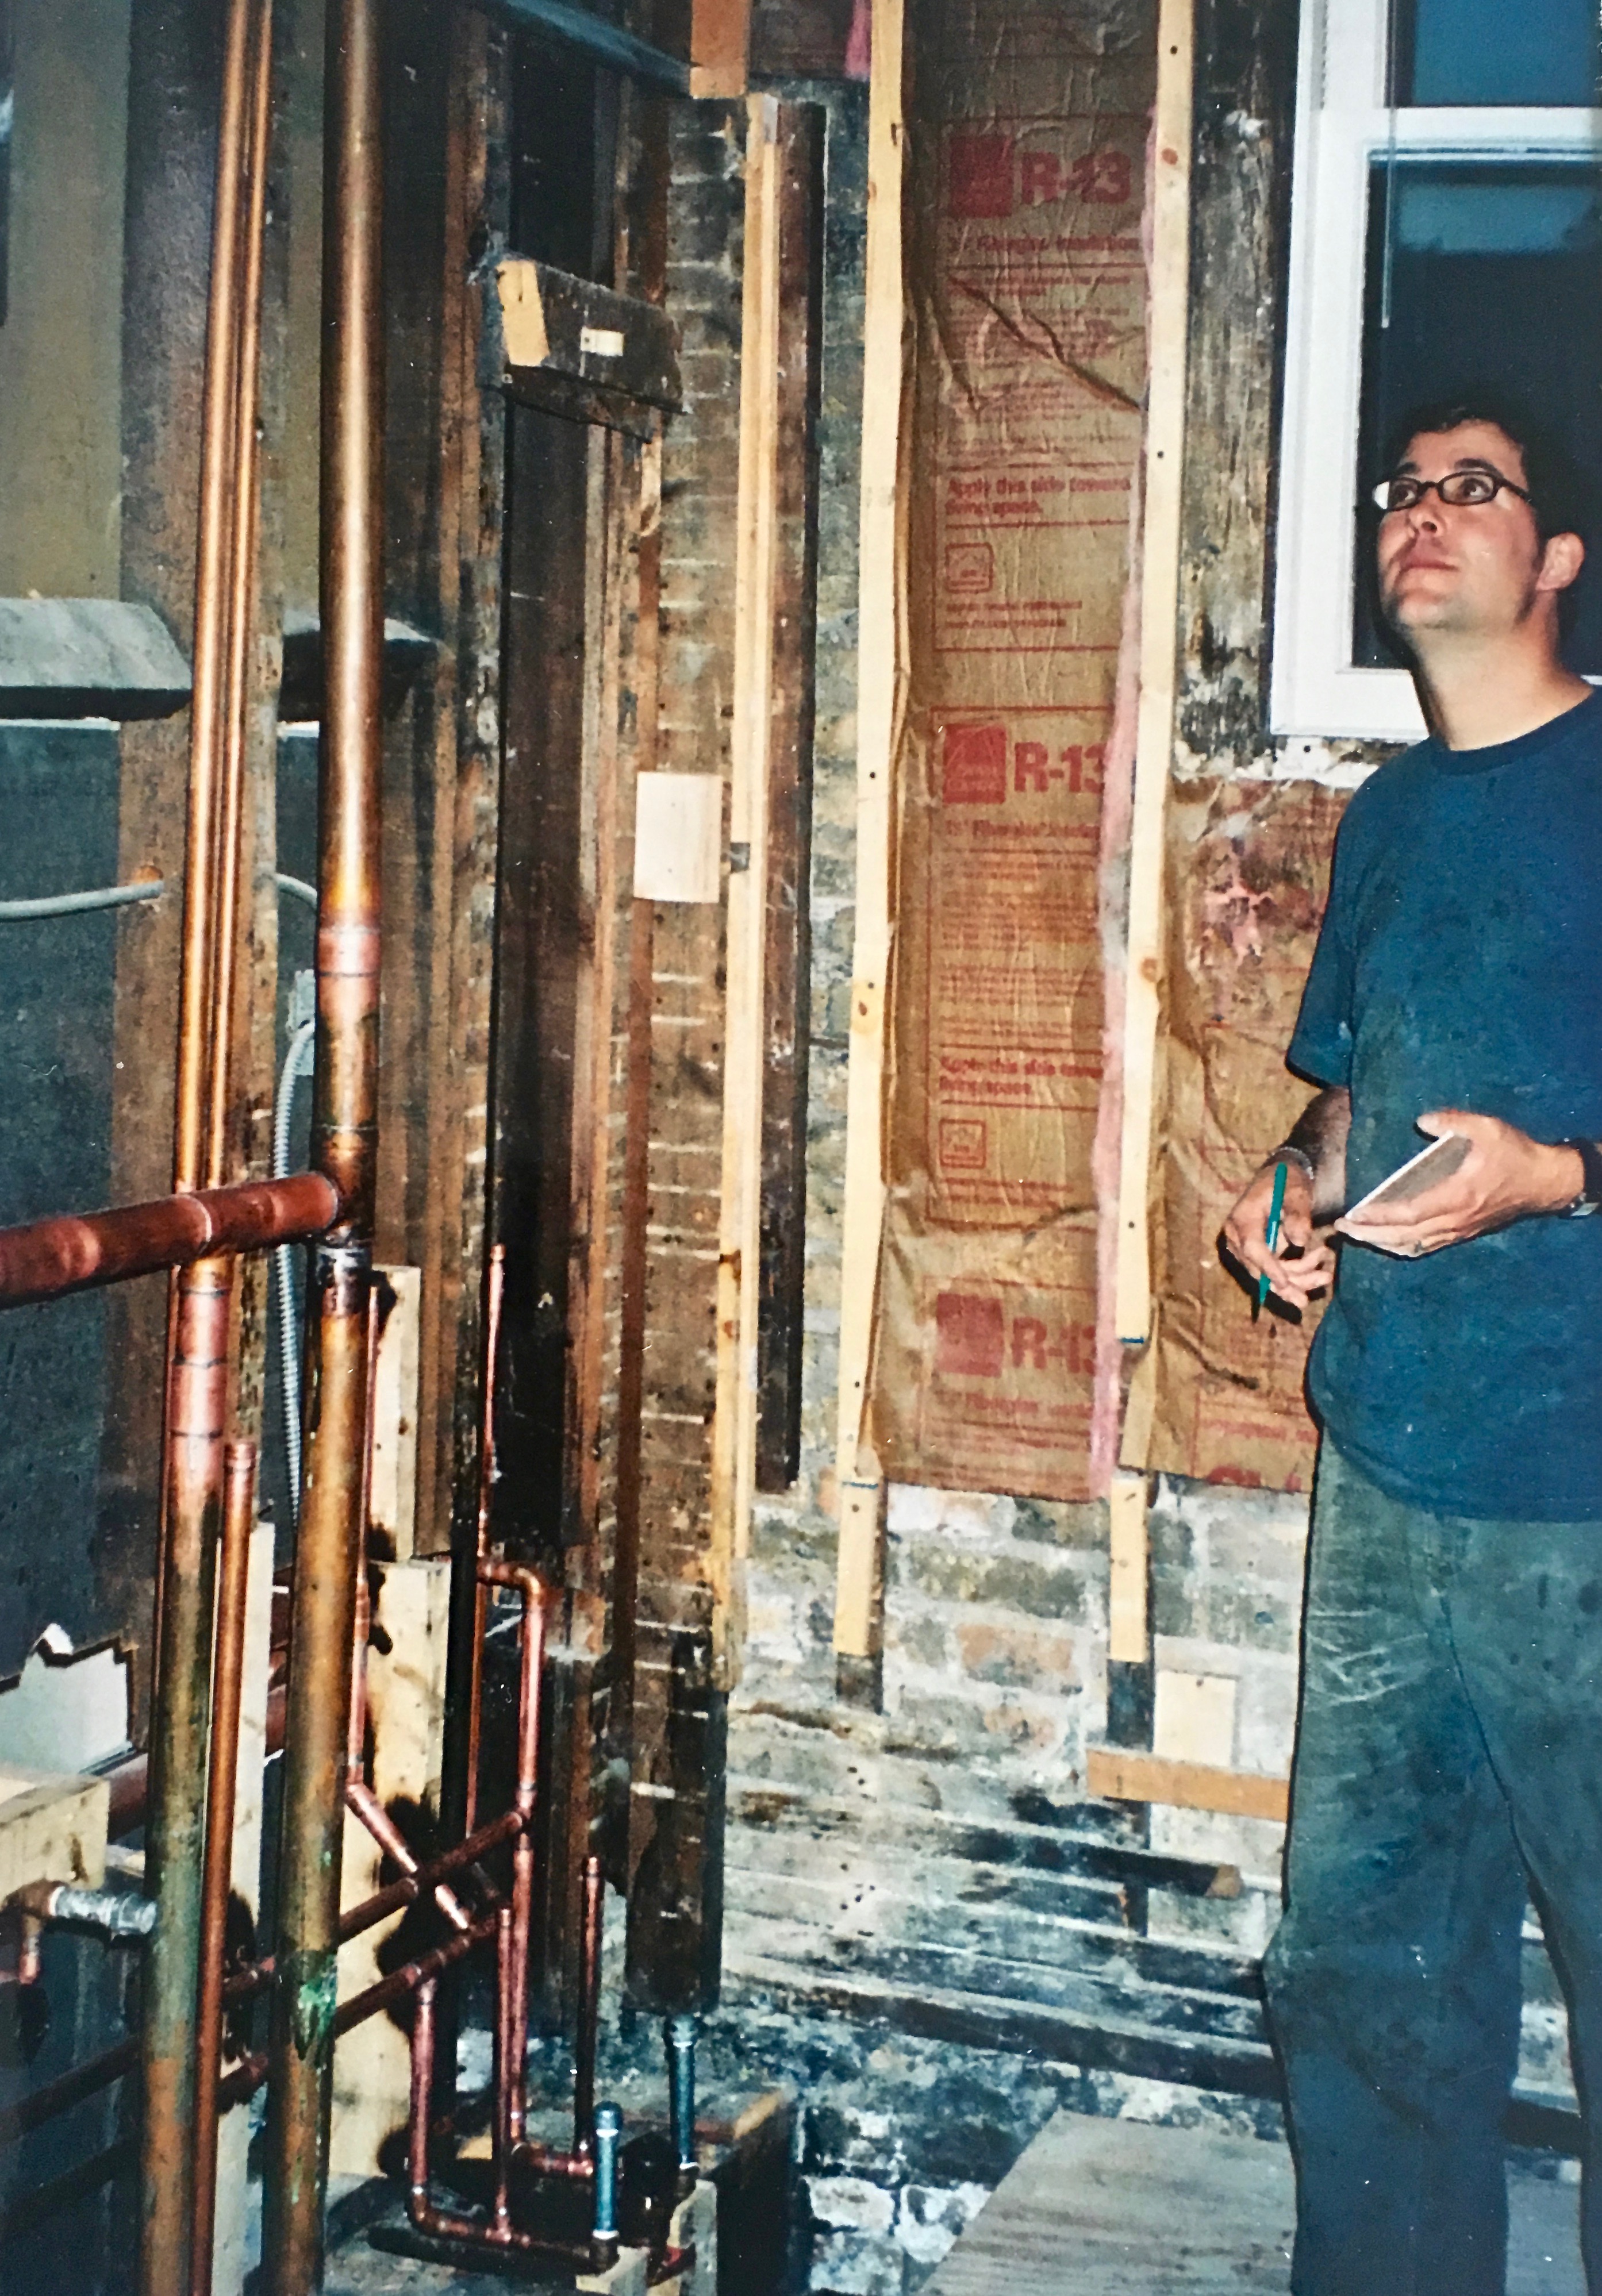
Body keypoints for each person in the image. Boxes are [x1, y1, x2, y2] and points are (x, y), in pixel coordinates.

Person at [1223, 391, 1602, 2296]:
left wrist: (1559, 1176)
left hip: (1581, 1505)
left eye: (1471, 488)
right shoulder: (1386, 816)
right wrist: (1283, 1190)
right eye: (1400, 490)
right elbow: (1349, 1092)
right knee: (1363, 1983)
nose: (1420, 513)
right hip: (1384, 1477)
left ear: (1556, 556)